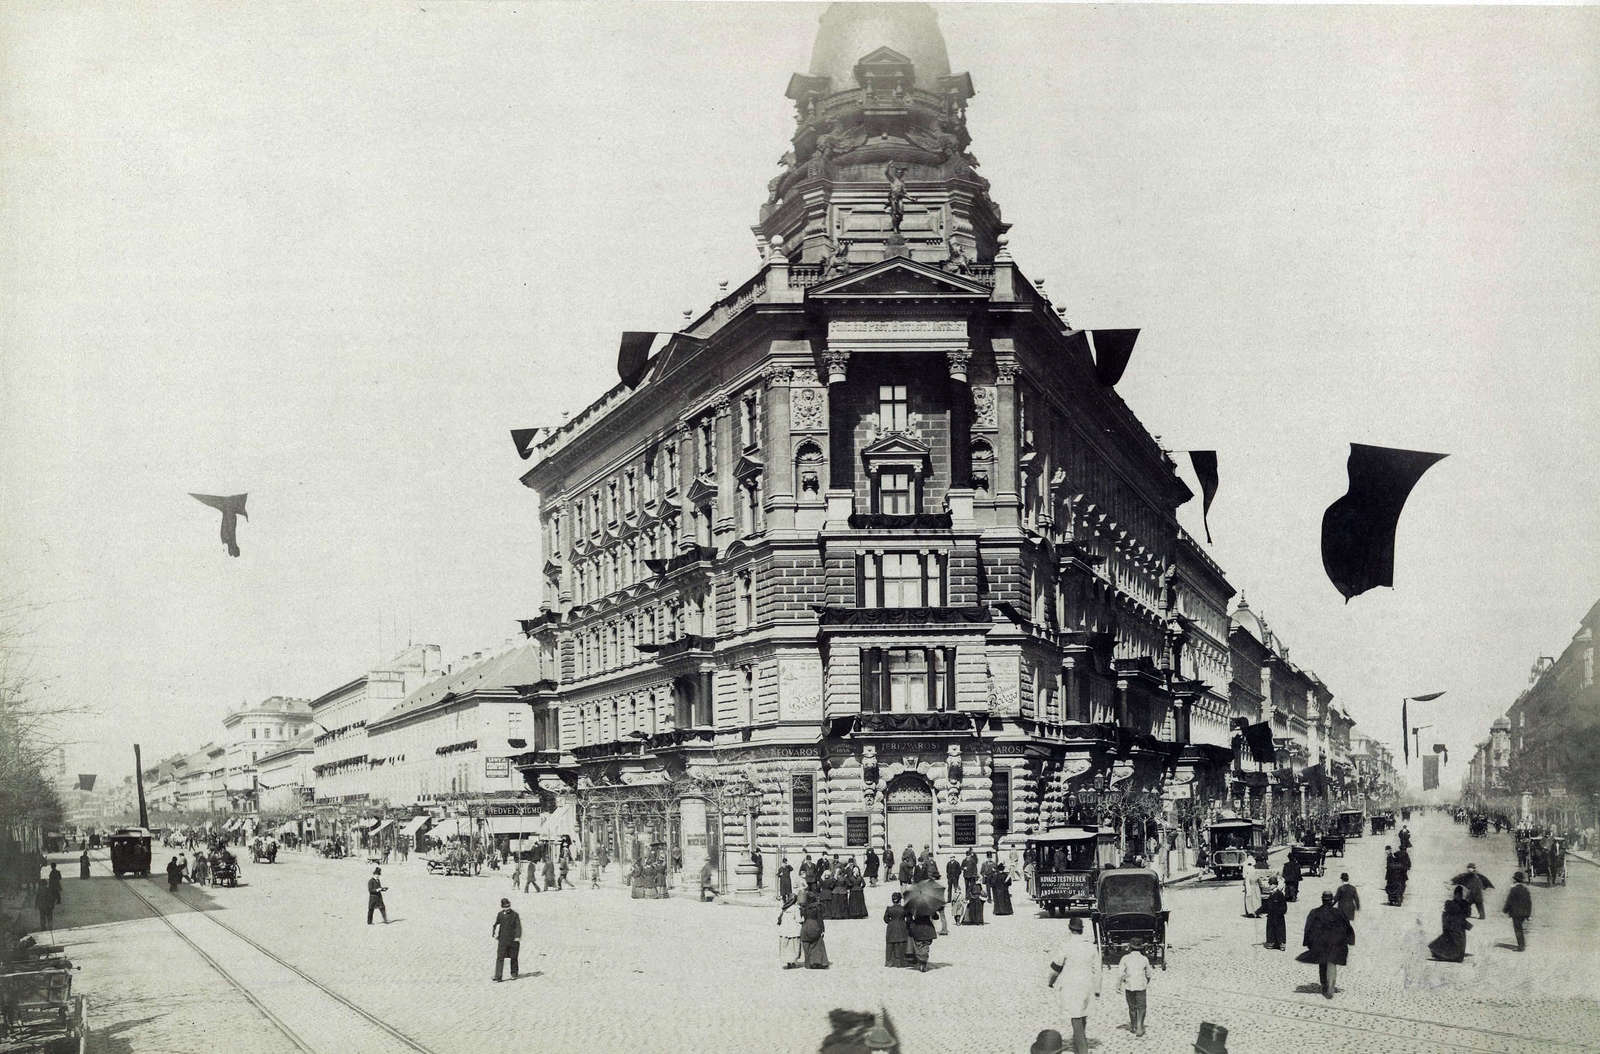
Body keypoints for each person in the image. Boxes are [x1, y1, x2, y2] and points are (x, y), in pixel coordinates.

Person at [1047, 917, 1101, 1054]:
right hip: (1087, 984)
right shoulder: (1091, 947)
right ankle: (1078, 1044)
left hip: (1073, 986)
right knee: (1082, 1015)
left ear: (1069, 929)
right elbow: (1098, 969)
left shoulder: (1066, 946)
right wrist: (1097, 989)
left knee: (1075, 1017)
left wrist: (1051, 982)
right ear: (1081, 930)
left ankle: (1082, 1049)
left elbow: (1056, 967)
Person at [1298, 890, 1354, 998]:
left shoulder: (1314, 912)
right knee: (1332, 963)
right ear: (1332, 900)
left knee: (1322, 964)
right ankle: (1331, 987)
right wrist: (1350, 940)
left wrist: (1307, 942)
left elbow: (1308, 928)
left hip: (1320, 944)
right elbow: (1347, 926)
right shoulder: (1339, 912)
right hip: (1335, 944)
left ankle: (1324, 985)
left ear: (1322, 899)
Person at [1115, 940, 1153, 1037]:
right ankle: (1140, 1025)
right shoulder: (1144, 959)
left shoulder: (1125, 958)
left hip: (1129, 986)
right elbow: (1149, 974)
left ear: (1130, 947)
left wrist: (1118, 985)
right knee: (1142, 1007)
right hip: (1141, 986)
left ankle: (1134, 1026)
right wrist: (1146, 981)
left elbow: (1120, 973)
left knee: (1132, 1007)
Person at [1428, 886, 1473, 962]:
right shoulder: (1451, 903)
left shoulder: (1464, 903)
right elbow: (1447, 914)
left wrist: (1466, 908)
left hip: (1459, 926)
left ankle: (1454, 955)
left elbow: (1468, 914)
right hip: (1453, 926)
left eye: (1460, 894)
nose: (1459, 896)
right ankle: (1450, 955)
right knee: (1453, 941)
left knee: (1459, 941)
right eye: (1457, 894)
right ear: (1454, 894)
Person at [491, 898, 522, 981]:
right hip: (502, 940)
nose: (507, 908)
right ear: (502, 907)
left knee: (513, 957)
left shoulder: (515, 915)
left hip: (513, 940)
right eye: (505, 907)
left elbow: (518, 926)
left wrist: (517, 937)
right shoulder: (500, 915)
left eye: (508, 906)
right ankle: (498, 976)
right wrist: (494, 934)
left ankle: (514, 973)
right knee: (500, 957)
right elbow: (496, 924)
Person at [799, 893, 830, 969]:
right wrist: (822, 930)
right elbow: (820, 919)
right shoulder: (817, 907)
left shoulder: (803, 907)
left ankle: (808, 963)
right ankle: (818, 961)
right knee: (817, 943)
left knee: (806, 944)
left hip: (806, 925)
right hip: (815, 925)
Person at [1503, 871, 1532, 951]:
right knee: (1520, 928)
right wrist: (1528, 914)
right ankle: (1521, 945)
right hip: (1523, 913)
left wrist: (1505, 910)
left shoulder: (1514, 889)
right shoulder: (1525, 889)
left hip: (1515, 913)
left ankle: (1521, 946)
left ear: (1515, 880)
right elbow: (1529, 902)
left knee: (1518, 929)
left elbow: (1509, 901)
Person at [883, 892, 910, 968]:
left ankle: (889, 961)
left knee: (890, 944)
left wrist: (891, 922)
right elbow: (909, 919)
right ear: (900, 900)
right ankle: (900, 962)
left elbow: (885, 919)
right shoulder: (904, 908)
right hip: (901, 925)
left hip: (891, 926)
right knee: (901, 944)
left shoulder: (889, 908)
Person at [1261, 877, 1288, 950]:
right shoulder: (1271, 894)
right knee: (1271, 929)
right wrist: (1258, 911)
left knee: (1279, 930)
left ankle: (1281, 943)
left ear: (1275, 885)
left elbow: (1284, 907)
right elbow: (1266, 905)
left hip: (1278, 916)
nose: (1269, 886)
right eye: (1269, 884)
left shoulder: (1280, 894)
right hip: (1271, 916)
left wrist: (1280, 913)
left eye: (1271, 884)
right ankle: (1272, 942)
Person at [778, 894, 803, 969]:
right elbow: (798, 919)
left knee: (786, 945)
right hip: (793, 929)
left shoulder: (784, 908)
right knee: (793, 946)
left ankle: (788, 962)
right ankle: (793, 961)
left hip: (784, 929)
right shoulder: (796, 908)